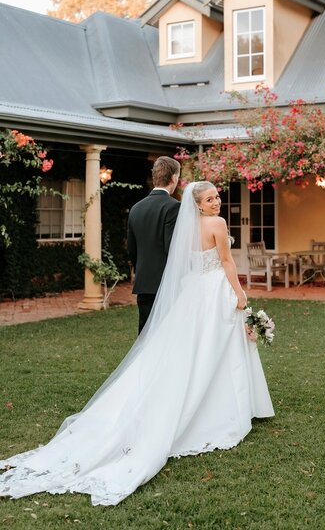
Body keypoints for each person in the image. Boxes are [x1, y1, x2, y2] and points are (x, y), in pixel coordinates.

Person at [0, 181, 274, 506]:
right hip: (214, 291)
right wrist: (240, 293)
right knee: (214, 348)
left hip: (193, 293)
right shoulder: (217, 224)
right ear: (198, 204)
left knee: (192, 350)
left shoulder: (187, 227)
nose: (217, 202)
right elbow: (227, 263)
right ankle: (223, 407)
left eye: (217, 197)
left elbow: (183, 264)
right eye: (210, 199)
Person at [127, 156, 180, 334]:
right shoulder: (174, 207)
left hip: (144, 284)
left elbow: (131, 250)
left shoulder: (136, 208)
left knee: (145, 336)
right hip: (166, 285)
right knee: (166, 337)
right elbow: (172, 248)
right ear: (173, 178)